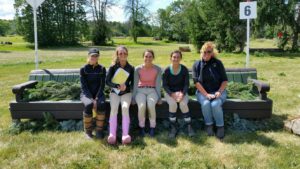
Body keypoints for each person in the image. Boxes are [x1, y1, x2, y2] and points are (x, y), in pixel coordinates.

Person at [192, 42, 228, 139]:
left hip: (218, 91)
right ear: (201, 52)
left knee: (215, 104)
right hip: (202, 92)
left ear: (212, 53)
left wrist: (219, 92)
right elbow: (196, 82)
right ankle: (209, 125)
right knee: (206, 103)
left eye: (209, 52)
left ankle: (220, 127)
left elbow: (224, 80)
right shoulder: (197, 64)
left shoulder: (218, 63)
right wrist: (206, 94)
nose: (206, 54)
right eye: (204, 51)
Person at [106, 46, 134, 145]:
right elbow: (107, 81)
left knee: (125, 107)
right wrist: (117, 86)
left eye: (124, 53)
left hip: (126, 93)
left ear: (127, 54)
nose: (123, 55)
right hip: (115, 92)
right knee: (113, 108)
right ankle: (112, 134)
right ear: (117, 55)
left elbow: (133, 83)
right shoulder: (113, 67)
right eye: (120, 53)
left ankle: (125, 135)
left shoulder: (131, 68)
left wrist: (126, 86)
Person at [163, 50, 195, 138]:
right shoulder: (167, 70)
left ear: (180, 58)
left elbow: (186, 84)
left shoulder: (184, 69)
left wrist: (182, 94)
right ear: (171, 58)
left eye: (178, 57)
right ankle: (173, 127)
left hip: (182, 93)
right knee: (173, 104)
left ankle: (189, 126)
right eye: (174, 57)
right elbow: (165, 85)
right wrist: (172, 94)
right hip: (170, 93)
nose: (176, 59)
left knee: (183, 104)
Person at [133, 49, 162, 137]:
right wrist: (133, 97)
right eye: (146, 56)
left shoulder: (157, 69)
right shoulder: (137, 69)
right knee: (142, 106)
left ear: (153, 58)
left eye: (150, 56)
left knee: (151, 105)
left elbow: (158, 84)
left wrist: (159, 97)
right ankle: (141, 127)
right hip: (140, 90)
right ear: (143, 57)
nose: (148, 58)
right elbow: (135, 84)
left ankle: (152, 127)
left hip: (152, 90)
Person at [80, 48, 106, 139]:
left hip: (99, 94)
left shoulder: (102, 68)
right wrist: (91, 98)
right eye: (92, 55)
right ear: (89, 56)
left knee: (102, 104)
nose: (94, 57)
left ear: (98, 57)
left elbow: (102, 85)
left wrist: (97, 98)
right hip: (86, 94)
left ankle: (99, 130)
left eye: (96, 56)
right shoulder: (83, 69)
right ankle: (88, 132)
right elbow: (84, 86)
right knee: (89, 104)